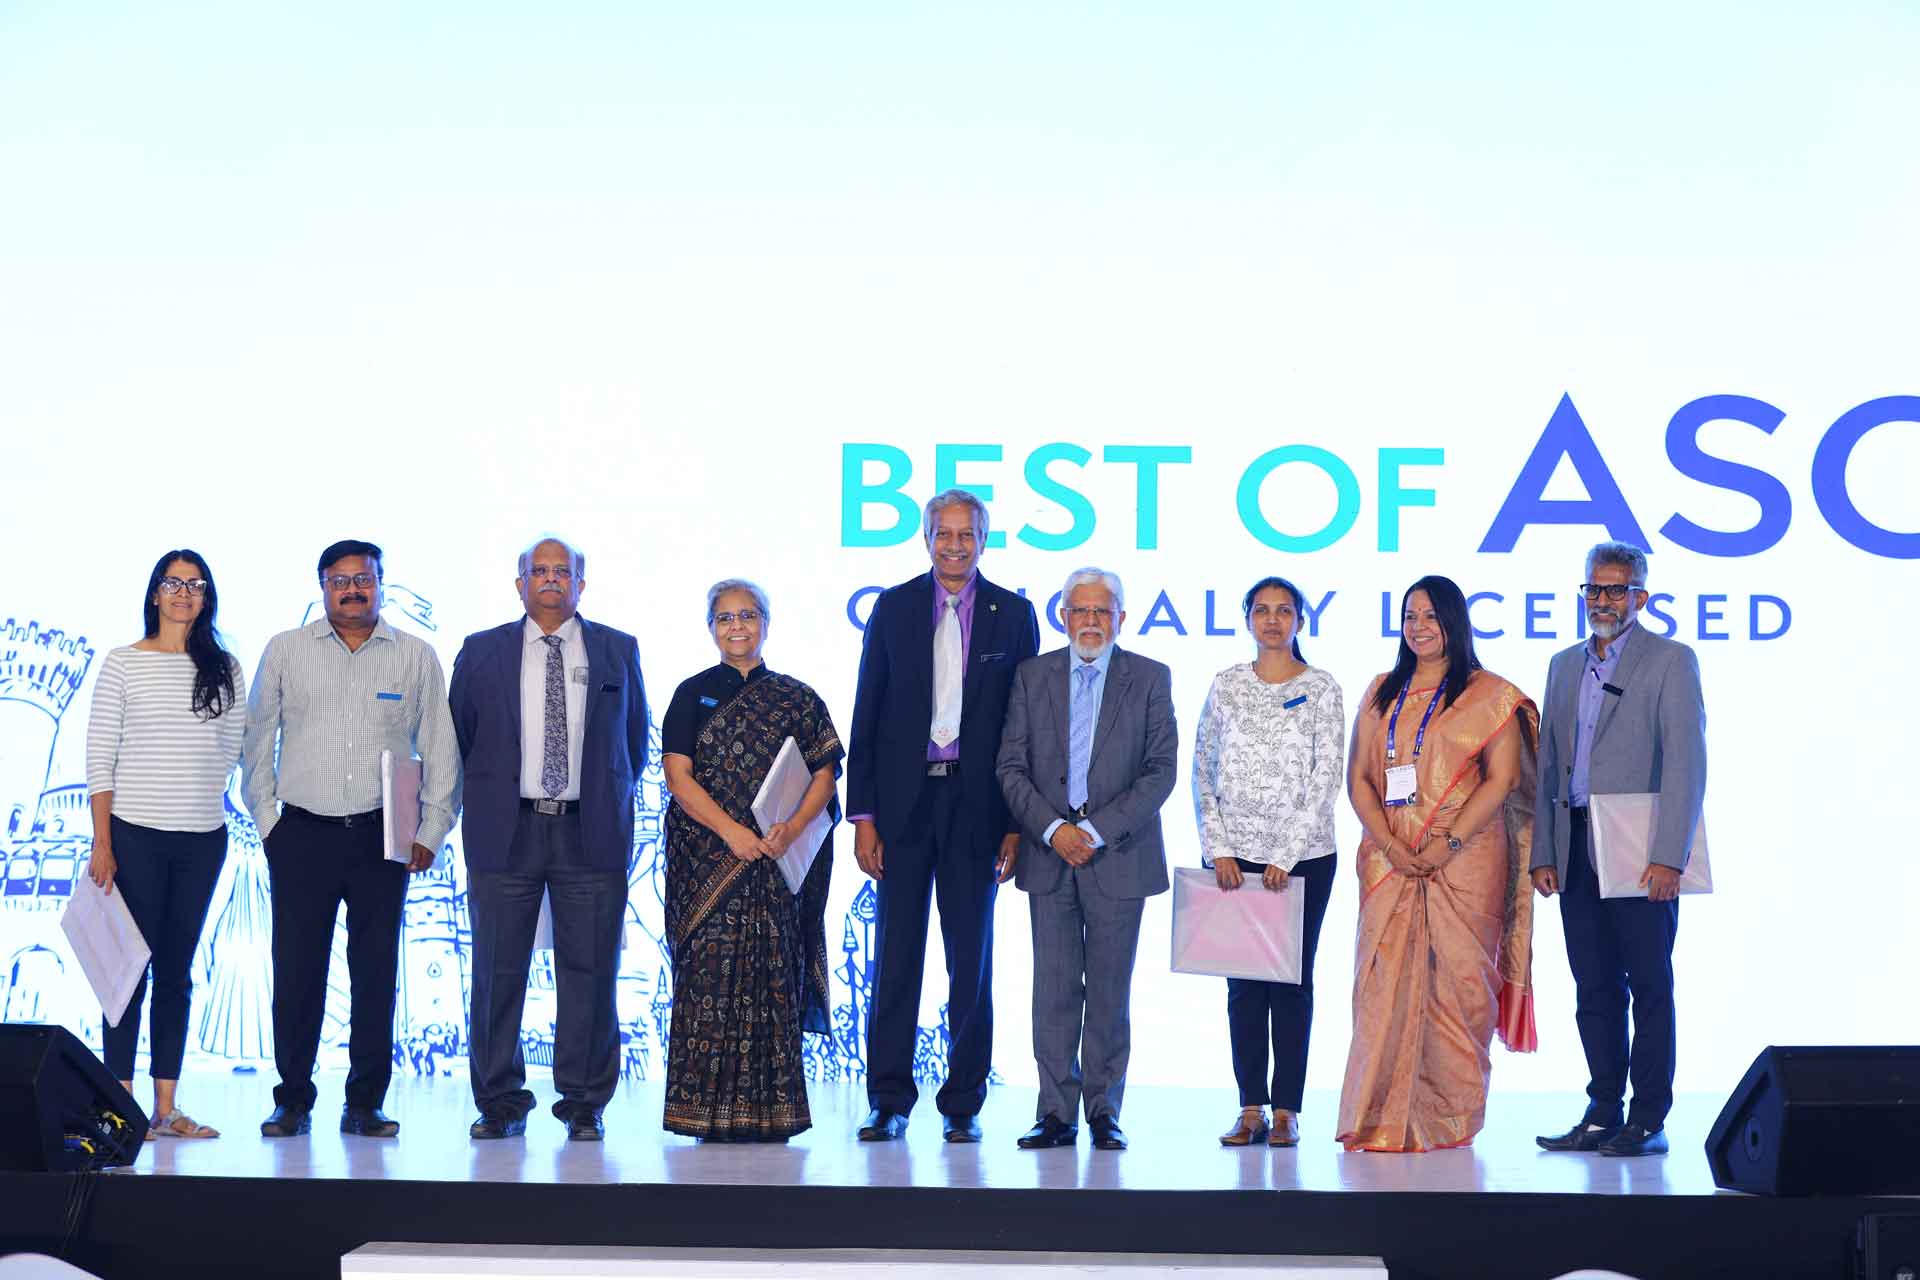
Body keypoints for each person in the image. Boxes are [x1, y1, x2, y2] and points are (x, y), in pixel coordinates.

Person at [242, 539, 457, 1139]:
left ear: (381, 584)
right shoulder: (285, 650)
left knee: (375, 973)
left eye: (364, 579)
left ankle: (365, 1103)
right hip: (301, 834)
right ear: (323, 587)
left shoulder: (414, 655)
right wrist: (268, 821)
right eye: (340, 581)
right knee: (297, 973)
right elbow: (257, 739)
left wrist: (432, 828)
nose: (353, 590)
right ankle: (292, 1099)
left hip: (381, 836)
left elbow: (440, 746)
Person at [845, 489, 1040, 1143]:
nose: (955, 546)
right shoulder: (894, 607)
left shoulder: (1014, 614)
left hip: (978, 809)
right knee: (895, 959)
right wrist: (863, 816)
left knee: (970, 963)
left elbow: (1024, 727)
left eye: (966, 534)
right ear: (926, 538)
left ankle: (963, 1103)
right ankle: (888, 1099)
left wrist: (1015, 822)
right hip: (902, 809)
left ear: (984, 540)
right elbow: (867, 710)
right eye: (943, 534)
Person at [448, 537, 647, 1143]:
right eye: (540, 571)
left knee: (591, 970)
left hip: (591, 831)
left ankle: (584, 1103)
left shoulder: (617, 648)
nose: (552, 579)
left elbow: (633, 744)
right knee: (497, 971)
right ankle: (499, 1101)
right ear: (520, 584)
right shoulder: (481, 651)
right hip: (504, 830)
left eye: (564, 571)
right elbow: (459, 739)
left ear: (582, 584)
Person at [1337, 574, 1538, 1153]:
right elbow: (1359, 779)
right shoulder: (1382, 691)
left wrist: (1444, 845)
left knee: (1460, 988)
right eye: (1409, 616)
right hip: (1390, 862)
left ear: (1454, 621)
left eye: (1430, 616)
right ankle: (1377, 1117)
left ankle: (1448, 1118)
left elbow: (1502, 779)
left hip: (1465, 861)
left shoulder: (1489, 695)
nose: (1418, 627)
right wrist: (1392, 846)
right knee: (1382, 988)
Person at [1532, 542, 1705, 1158]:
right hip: (1576, 844)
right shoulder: (1562, 665)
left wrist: (1670, 856)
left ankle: (1649, 1119)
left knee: (1650, 986)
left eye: (1615, 589)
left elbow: (1686, 763)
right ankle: (1603, 1111)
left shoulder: (1671, 660)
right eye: (1594, 589)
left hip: (1638, 847)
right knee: (1594, 987)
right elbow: (1548, 763)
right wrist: (1544, 851)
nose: (1602, 601)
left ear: (1641, 597)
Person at [997, 567, 1177, 1152]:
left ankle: (1103, 1111)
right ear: (1063, 616)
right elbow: (1010, 767)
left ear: (1121, 618)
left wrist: (1093, 832)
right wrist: (1054, 831)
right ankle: (1055, 1113)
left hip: (1118, 856)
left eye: (1103, 611)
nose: (1091, 621)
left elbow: (1160, 772)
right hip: (1049, 856)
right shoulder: (1032, 676)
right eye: (1081, 610)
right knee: (1052, 993)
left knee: (1108, 993)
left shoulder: (1150, 677)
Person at [659, 579, 841, 1141]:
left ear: (765, 622)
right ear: (710, 628)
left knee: (772, 979)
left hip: (776, 864)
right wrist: (731, 831)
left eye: (747, 615)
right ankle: (702, 1115)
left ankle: (772, 1114)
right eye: (725, 618)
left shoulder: (797, 698)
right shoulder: (691, 694)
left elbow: (824, 776)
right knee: (707, 980)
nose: (737, 626)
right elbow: (678, 778)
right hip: (707, 861)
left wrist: (793, 829)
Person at [84, 549, 246, 1140]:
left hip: (202, 840)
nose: (183, 593)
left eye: (195, 585)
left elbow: (232, 750)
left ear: (207, 597)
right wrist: (102, 841)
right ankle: (118, 1108)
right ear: (155, 593)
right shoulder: (123, 663)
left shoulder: (225, 668)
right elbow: (100, 757)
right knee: (128, 971)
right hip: (133, 837)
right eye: (173, 583)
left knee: (177, 973)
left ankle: (166, 1108)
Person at [1191, 575, 1345, 1149]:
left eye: (1284, 611)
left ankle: (1287, 1111)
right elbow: (1202, 768)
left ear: (1300, 621)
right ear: (1248, 619)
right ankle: (1250, 1107)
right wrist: (1218, 848)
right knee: (1244, 988)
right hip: (1233, 860)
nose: (1273, 620)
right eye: (1262, 610)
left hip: (1303, 859)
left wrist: (1285, 856)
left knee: (1292, 983)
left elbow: (1325, 777)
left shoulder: (1322, 688)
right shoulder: (1226, 684)